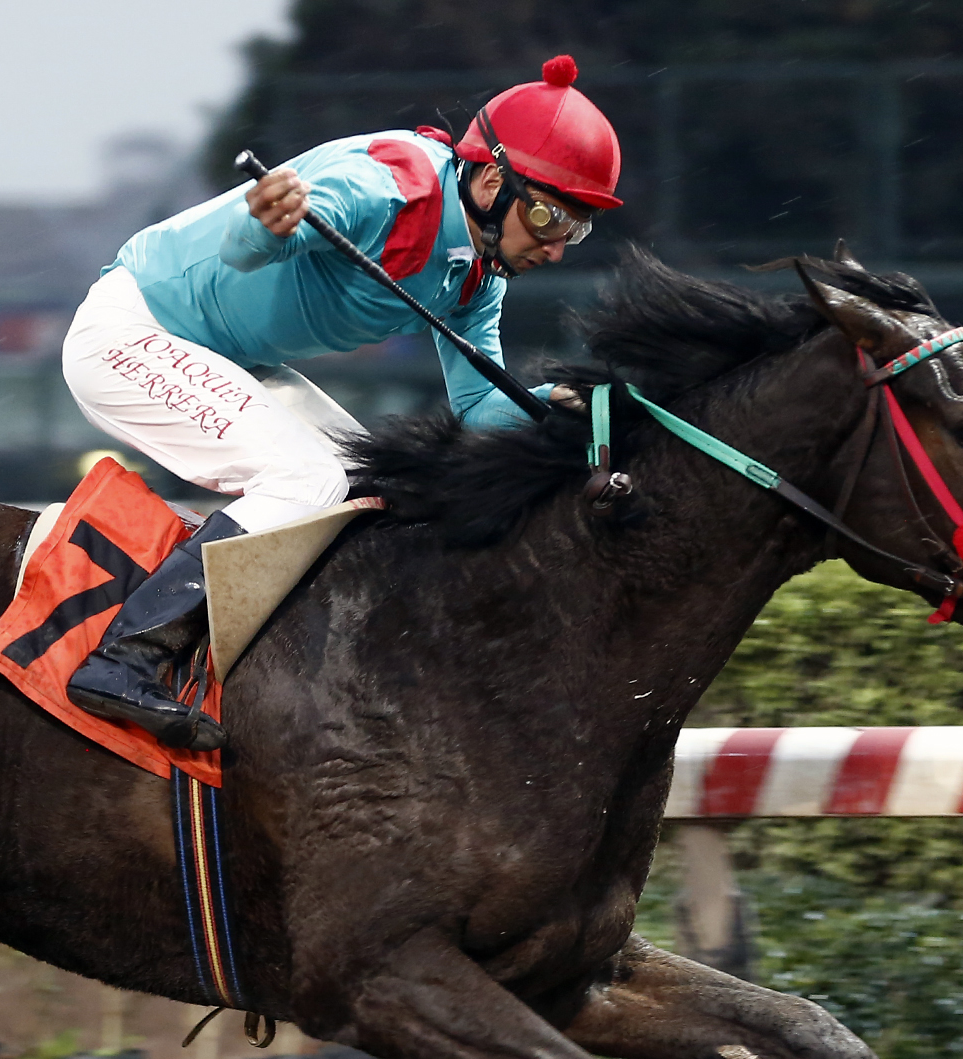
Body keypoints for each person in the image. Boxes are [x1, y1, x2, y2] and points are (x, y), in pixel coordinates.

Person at [60, 55, 624, 751]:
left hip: (226, 359)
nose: (556, 248)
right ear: (491, 181)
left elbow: (481, 408)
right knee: (308, 481)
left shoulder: (477, 279)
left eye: (575, 228)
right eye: (547, 216)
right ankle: (125, 659)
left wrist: (559, 405)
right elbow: (247, 247)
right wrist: (266, 222)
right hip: (131, 332)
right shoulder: (386, 183)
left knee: (369, 490)